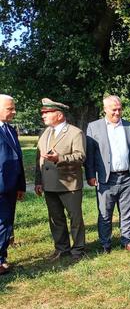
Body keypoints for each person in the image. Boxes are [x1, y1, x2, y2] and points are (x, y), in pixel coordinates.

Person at [85, 95, 130, 253]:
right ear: (105, 109)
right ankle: (105, 243)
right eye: (114, 109)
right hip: (105, 178)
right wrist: (90, 175)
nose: (117, 112)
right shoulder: (93, 127)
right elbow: (89, 154)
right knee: (105, 212)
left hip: (127, 177)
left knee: (127, 211)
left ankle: (127, 241)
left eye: (120, 109)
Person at [34, 98, 87, 260]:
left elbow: (81, 156)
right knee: (56, 219)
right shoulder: (44, 133)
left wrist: (60, 158)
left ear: (59, 114)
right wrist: (38, 181)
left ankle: (78, 250)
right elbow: (39, 159)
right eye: (43, 113)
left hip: (69, 184)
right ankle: (61, 249)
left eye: (46, 113)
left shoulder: (74, 132)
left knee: (75, 219)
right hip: (49, 184)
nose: (43, 116)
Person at [0, 95, 25, 275]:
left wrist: (20, 186)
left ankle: (1, 258)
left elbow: (18, 158)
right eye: (10, 108)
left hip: (10, 187)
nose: (14, 112)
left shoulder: (10, 130)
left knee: (6, 224)